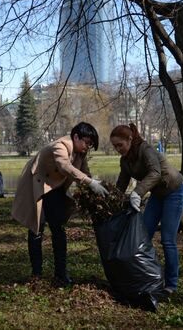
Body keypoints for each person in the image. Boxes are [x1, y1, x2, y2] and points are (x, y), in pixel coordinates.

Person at [12, 122, 108, 286]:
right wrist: (90, 182)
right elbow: (64, 166)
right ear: (76, 137)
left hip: (54, 188)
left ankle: (61, 274)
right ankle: (36, 274)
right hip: (36, 184)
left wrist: (93, 186)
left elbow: (84, 172)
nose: (87, 147)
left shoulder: (80, 153)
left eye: (90, 145)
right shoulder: (61, 145)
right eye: (86, 142)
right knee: (37, 227)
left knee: (59, 227)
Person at [110, 123, 183, 295]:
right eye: (114, 146)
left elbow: (155, 173)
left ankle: (171, 284)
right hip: (157, 195)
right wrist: (111, 201)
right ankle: (146, 277)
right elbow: (121, 184)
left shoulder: (146, 150)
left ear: (130, 139)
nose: (117, 149)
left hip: (174, 191)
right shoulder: (125, 160)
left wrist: (137, 192)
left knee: (167, 240)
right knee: (143, 236)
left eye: (119, 145)